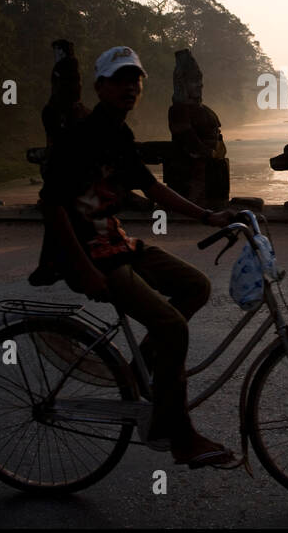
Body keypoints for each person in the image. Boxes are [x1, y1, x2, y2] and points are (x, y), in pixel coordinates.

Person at [38, 46, 236, 468]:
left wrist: (208, 216)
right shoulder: (81, 135)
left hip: (117, 242)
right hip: (91, 255)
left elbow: (154, 189)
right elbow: (52, 206)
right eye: (120, 80)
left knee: (195, 286)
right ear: (100, 87)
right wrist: (84, 269)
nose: (130, 87)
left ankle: (140, 369)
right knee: (172, 326)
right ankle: (178, 434)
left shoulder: (120, 136)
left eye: (136, 80)